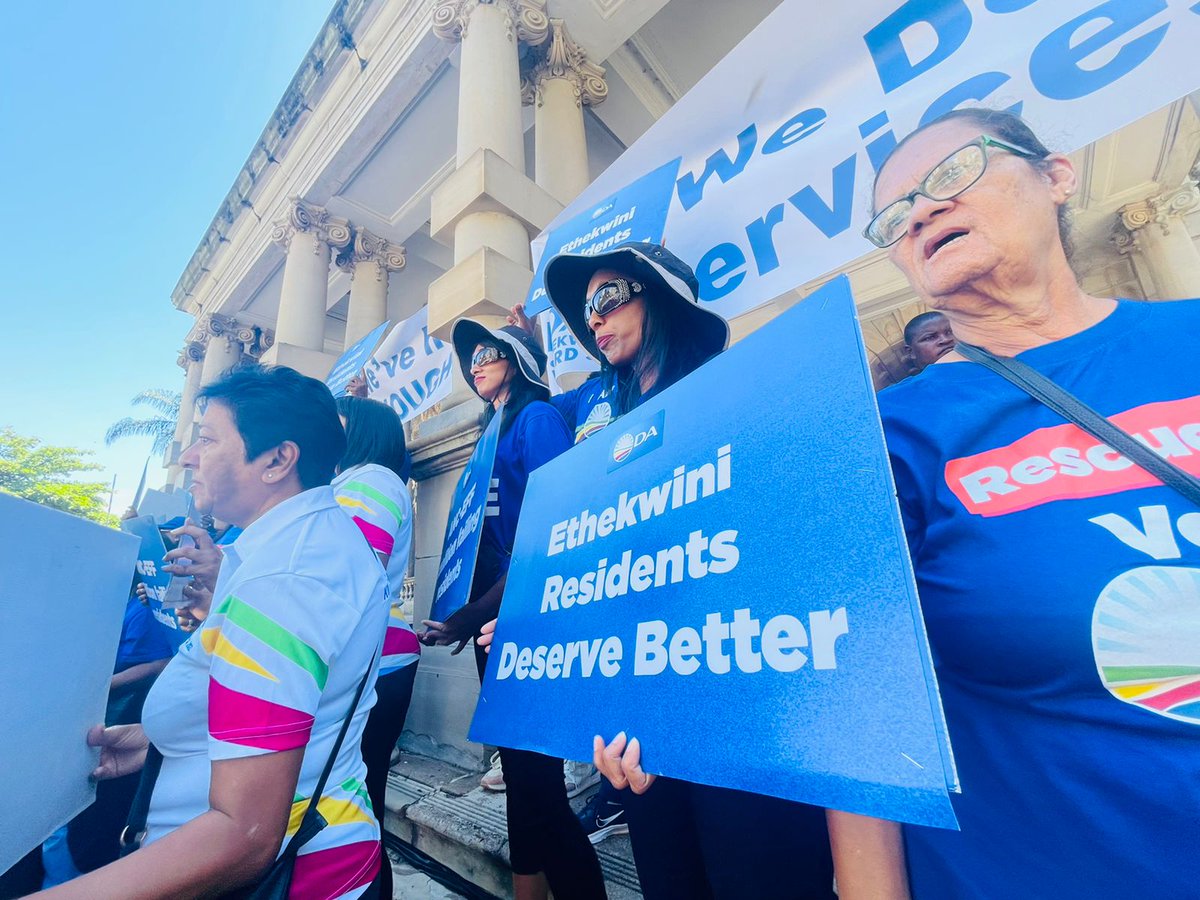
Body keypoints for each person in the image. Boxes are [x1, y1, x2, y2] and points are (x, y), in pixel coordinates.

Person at [832, 106, 1200, 900]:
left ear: (1057, 176)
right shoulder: (880, 437)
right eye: (897, 217)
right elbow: (856, 696)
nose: (923, 211)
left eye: (953, 175)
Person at [499, 241, 835, 899]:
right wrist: (534, 624)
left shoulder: (741, 395)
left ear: (664, 297)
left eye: (605, 299)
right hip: (641, 739)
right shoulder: (606, 437)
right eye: (584, 312)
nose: (592, 321)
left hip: (747, 731)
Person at [35, 365, 388, 899]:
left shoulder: (284, 578)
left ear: (276, 460)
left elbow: (243, 834)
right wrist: (157, 741)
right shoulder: (293, 550)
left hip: (299, 878)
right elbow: (284, 711)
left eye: (207, 439)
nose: (188, 456)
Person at [422, 322, 606, 900]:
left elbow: (554, 529)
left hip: (530, 620)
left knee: (538, 786)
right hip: (492, 627)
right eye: (470, 357)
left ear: (520, 360)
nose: (475, 364)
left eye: (490, 353)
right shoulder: (490, 432)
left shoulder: (538, 419)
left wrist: (473, 613)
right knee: (525, 782)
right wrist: (463, 612)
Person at [332, 394, 419, 900]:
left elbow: (345, 575)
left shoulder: (371, 481)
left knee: (355, 807)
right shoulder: (352, 482)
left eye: (337, 422)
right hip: (371, 659)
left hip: (370, 662)